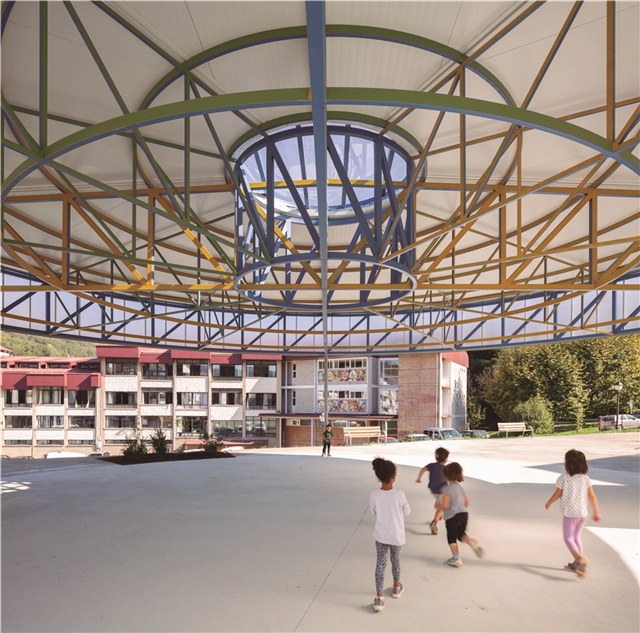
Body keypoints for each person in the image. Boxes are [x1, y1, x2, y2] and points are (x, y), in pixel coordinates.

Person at [545, 449, 601, 578]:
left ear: (568, 463)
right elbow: (592, 496)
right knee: (576, 537)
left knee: (568, 537)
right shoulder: (585, 478)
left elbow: (558, 493)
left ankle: (579, 559)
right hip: (582, 513)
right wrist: (596, 511)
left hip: (570, 514)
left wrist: (549, 502)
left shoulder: (564, 477)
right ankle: (577, 564)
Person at [370, 457, 410, 612]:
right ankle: (396, 587)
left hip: (381, 534)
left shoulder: (374, 494)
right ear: (394, 476)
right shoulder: (399, 494)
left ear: (379, 477)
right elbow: (407, 512)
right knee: (395, 560)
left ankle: (379, 597)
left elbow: (373, 511)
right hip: (396, 535)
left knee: (380, 563)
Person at [435, 462, 484, 567]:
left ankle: (456, 558)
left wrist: (437, 507)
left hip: (452, 517)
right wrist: (461, 510)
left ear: (445, 475)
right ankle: (471, 542)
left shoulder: (445, 489)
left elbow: (445, 504)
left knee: (451, 537)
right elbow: (467, 502)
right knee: (461, 534)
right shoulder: (460, 487)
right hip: (464, 514)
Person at [415, 447, 449, 534]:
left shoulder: (432, 465)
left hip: (433, 490)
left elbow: (423, 469)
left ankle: (439, 515)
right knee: (441, 507)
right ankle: (434, 523)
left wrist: (419, 478)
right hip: (442, 491)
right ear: (445, 458)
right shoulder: (446, 468)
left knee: (440, 501)